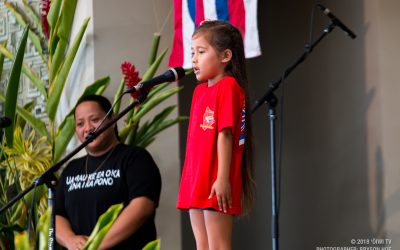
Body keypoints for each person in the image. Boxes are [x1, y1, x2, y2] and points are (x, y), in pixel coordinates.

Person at [177, 20, 255, 250]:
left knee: (218, 246)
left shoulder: (229, 86)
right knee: (202, 246)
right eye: (193, 52)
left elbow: (225, 134)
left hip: (215, 178)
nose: (194, 59)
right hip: (196, 178)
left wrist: (222, 179)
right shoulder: (200, 91)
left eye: (201, 52)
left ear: (225, 56)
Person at [55, 95, 162, 250]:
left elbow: (142, 206)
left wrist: (96, 244)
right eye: (80, 123)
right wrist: (70, 240)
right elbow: (57, 214)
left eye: (95, 120)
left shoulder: (135, 158)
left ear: (112, 121)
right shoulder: (72, 168)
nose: (88, 128)